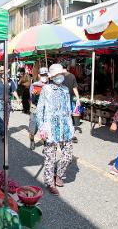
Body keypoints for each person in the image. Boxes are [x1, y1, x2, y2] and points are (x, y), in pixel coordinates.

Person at [36, 64, 74, 195]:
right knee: (50, 157)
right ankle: (49, 182)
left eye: (61, 75)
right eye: (57, 75)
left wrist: (71, 125)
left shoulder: (65, 90)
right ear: (52, 77)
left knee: (68, 156)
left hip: (65, 128)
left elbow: (68, 110)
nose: (60, 77)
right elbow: (39, 110)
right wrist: (41, 128)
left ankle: (58, 174)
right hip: (50, 128)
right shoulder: (46, 89)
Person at [0, 66, 20, 142]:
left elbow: (13, 91)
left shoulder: (10, 81)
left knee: (6, 119)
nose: (5, 73)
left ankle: (4, 130)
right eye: (3, 72)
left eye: (6, 72)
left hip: (8, 102)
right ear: (0, 73)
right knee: (2, 118)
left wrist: (17, 98)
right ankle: (3, 134)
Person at [28, 67, 49, 150]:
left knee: (46, 128)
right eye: (43, 75)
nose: (45, 76)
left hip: (46, 109)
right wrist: (34, 95)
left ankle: (46, 145)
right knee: (32, 128)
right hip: (35, 108)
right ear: (39, 75)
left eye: (46, 75)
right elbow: (31, 98)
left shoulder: (51, 86)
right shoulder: (34, 85)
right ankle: (32, 141)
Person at [63, 63, 81, 143]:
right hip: (68, 100)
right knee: (68, 116)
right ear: (67, 67)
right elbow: (75, 89)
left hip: (59, 100)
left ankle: (65, 133)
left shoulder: (58, 77)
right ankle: (69, 133)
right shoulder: (72, 76)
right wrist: (78, 99)